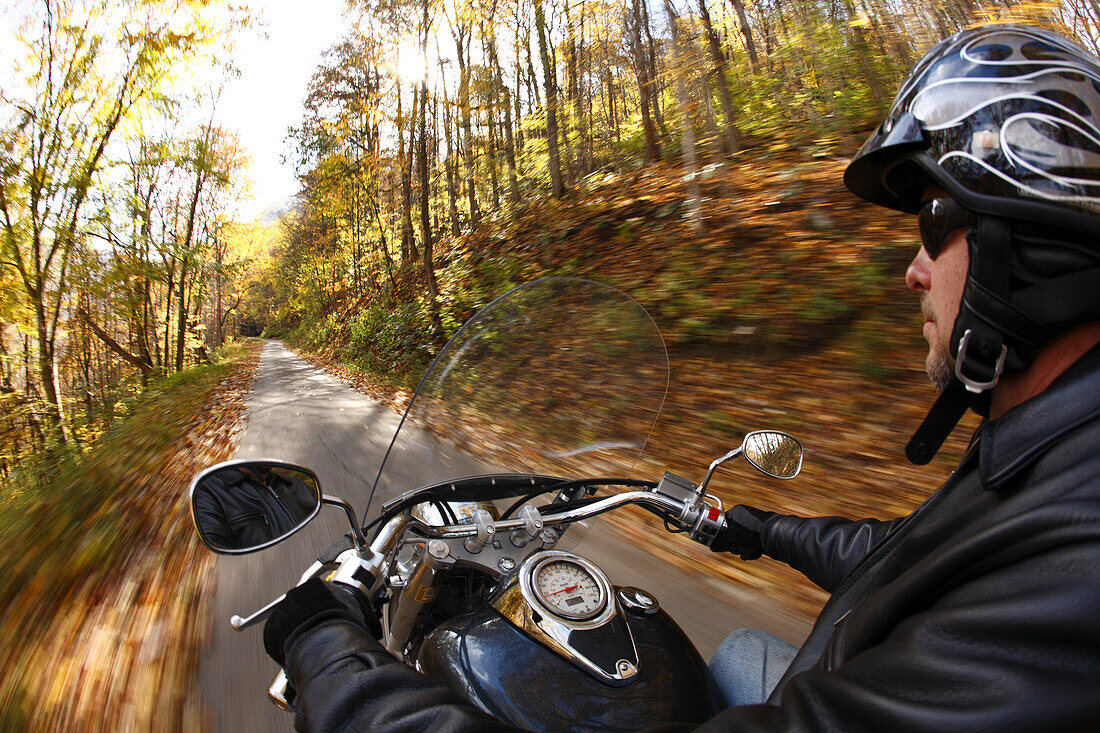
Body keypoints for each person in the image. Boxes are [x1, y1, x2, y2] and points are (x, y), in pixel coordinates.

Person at [261, 24, 1100, 731]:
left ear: (1025, 248)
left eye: (934, 226)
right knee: (733, 651)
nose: (914, 270)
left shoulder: (1074, 572)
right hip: (844, 659)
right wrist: (747, 526)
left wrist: (333, 658)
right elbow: (906, 554)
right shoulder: (1045, 451)